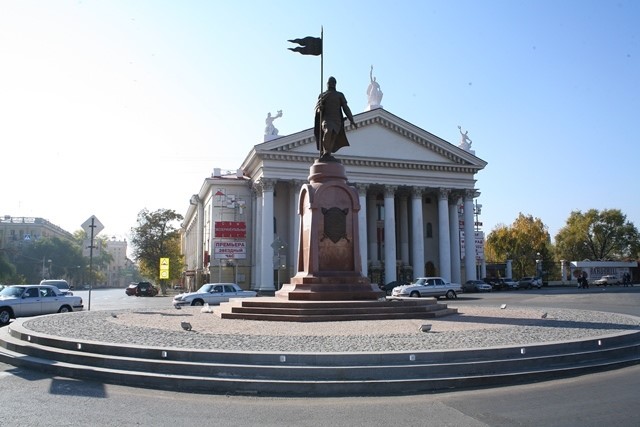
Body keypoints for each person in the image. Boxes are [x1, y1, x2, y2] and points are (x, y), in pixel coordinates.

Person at [314, 76, 357, 160]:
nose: (332, 84)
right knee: (328, 131)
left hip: (336, 120)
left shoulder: (339, 95)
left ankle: (328, 153)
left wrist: (352, 120)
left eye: (333, 82)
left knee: (333, 136)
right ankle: (325, 151)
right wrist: (320, 109)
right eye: (330, 82)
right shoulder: (323, 95)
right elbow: (318, 108)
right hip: (326, 119)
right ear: (327, 84)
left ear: (335, 84)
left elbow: (345, 108)